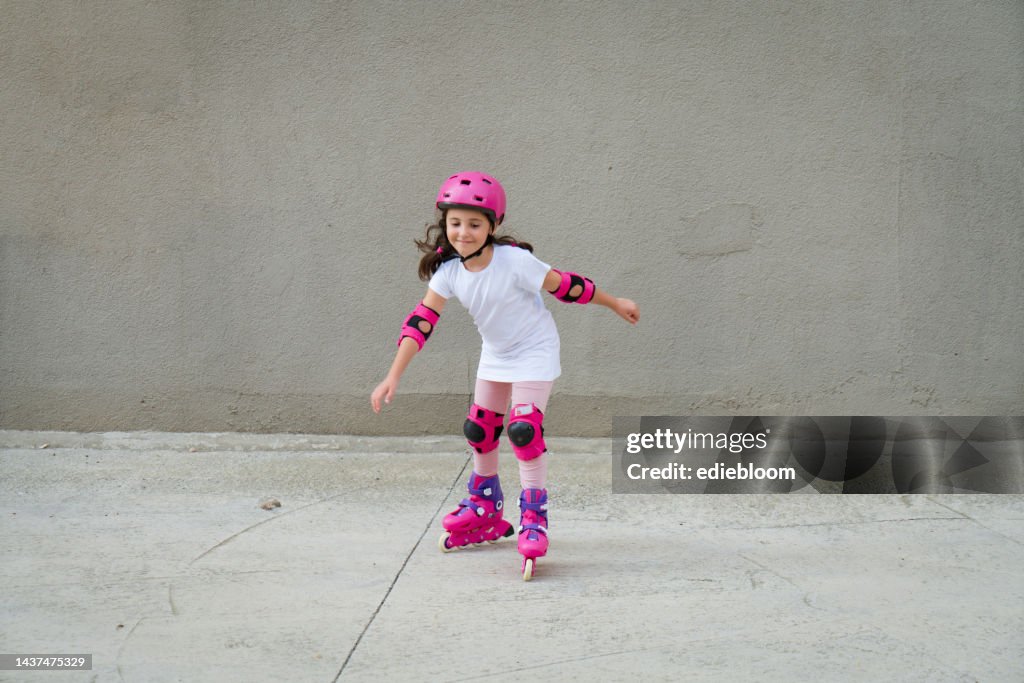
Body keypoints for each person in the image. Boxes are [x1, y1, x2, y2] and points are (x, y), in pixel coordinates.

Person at [371, 171, 639, 580]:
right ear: (444, 223)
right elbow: (421, 322)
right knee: (479, 430)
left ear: (492, 226)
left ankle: (534, 514)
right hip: (497, 355)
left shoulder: (515, 262)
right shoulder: (448, 272)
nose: (464, 232)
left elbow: (567, 287)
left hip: (535, 350)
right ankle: (486, 508)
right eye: (456, 222)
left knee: (523, 431)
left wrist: (614, 302)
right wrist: (392, 376)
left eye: (475, 224)